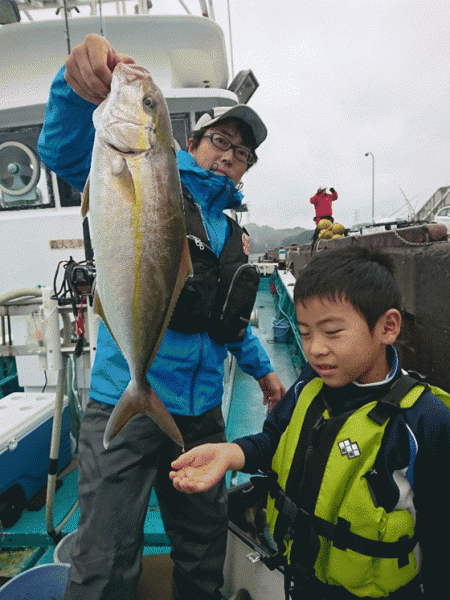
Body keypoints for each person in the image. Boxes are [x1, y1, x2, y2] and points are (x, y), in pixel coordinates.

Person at [37, 33, 286, 600]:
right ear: (189, 142)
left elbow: (228, 318)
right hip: (121, 398)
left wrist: (265, 371)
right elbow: (63, 148)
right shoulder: (145, 169)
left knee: (202, 555)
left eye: (241, 153)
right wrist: (74, 90)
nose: (228, 155)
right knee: (103, 557)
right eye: (219, 141)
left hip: (201, 415)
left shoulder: (231, 233)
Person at [170, 246, 450, 599]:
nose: (315, 349)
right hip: (300, 579)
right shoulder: (308, 385)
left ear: (388, 327)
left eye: (332, 332)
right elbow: (273, 441)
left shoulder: (425, 421)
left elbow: (441, 534)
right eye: (305, 333)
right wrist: (231, 453)